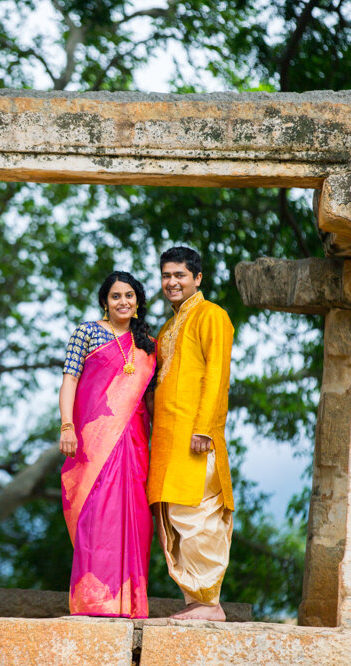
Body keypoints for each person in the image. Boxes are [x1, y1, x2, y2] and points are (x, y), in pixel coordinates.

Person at [58, 271, 157, 619]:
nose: (123, 302)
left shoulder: (147, 345)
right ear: (105, 301)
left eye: (129, 295)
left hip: (133, 442)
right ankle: (94, 600)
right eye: (116, 296)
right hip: (93, 440)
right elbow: (69, 379)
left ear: (138, 301)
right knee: (95, 514)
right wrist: (67, 425)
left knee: (133, 516)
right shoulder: (87, 332)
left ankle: (129, 603)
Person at [148, 246, 235, 622]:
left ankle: (210, 603)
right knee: (175, 519)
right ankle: (195, 602)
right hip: (168, 441)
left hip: (195, 437)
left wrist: (204, 428)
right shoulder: (168, 327)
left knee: (198, 514)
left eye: (179, 275)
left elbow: (217, 374)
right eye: (166, 275)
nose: (172, 282)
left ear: (197, 278)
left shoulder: (210, 315)